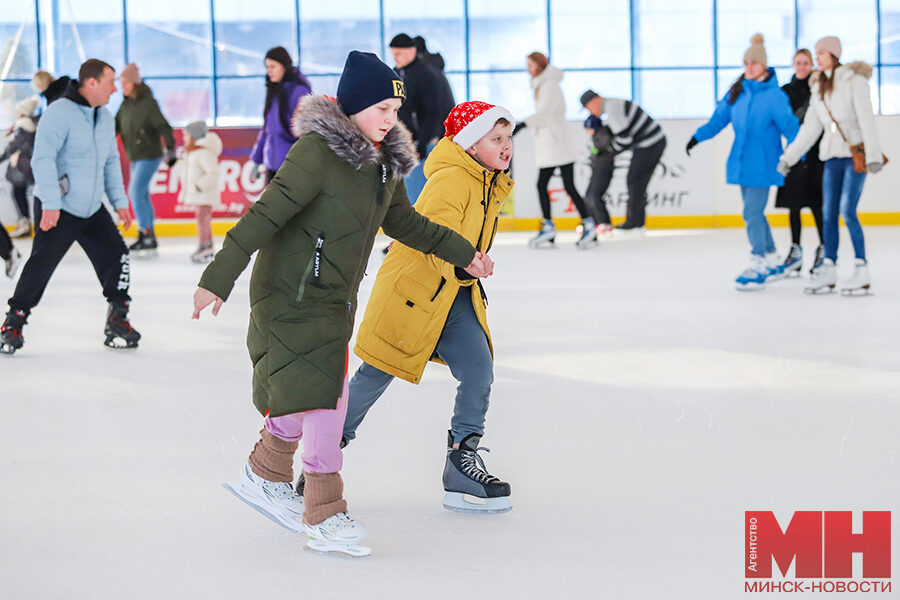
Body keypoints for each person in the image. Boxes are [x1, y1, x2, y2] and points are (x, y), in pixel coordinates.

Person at [193, 51, 492, 557]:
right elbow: (264, 215)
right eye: (381, 109)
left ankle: (264, 472)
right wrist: (216, 279)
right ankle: (324, 512)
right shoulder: (316, 153)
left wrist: (465, 255)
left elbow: (408, 225)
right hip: (291, 291)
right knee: (329, 395)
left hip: (332, 296)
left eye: (395, 111)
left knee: (310, 389)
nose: (391, 120)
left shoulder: (384, 166)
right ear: (353, 106)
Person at [294, 101, 514, 514]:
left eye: (508, 139)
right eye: (495, 139)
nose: (506, 147)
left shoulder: (488, 181)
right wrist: (469, 257)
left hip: (453, 294)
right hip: (413, 294)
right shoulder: (453, 179)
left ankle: (461, 463)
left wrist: (468, 264)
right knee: (374, 374)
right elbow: (431, 238)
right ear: (470, 145)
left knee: (479, 370)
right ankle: (318, 464)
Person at [0, 59, 139, 355]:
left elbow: (111, 161)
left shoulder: (104, 117)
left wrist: (119, 203)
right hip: (59, 207)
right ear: (91, 83)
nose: (114, 89)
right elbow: (43, 159)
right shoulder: (58, 113)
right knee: (41, 264)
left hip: (92, 207)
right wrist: (50, 203)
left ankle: (118, 317)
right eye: (109, 82)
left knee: (118, 256)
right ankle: (13, 323)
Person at [686, 34, 798, 291]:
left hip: (765, 163)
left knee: (751, 212)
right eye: (746, 62)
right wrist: (697, 137)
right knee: (754, 212)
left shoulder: (774, 96)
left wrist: (797, 155)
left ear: (764, 66)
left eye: (754, 63)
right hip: (742, 162)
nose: (749, 67)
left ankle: (758, 260)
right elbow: (718, 120)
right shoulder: (737, 92)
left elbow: (791, 128)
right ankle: (771, 258)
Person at [778, 36, 883, 295]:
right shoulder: (818, 87)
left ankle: (861, 268)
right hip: (831, 158)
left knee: (847, 211)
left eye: (821, 53)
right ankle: (829, 268)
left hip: (854, 156)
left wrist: (874, 155)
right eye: (817, 53)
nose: (817, 58)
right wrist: (788, 158)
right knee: (828, 213)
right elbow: (809, 130)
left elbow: (866, 118)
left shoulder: (854, 82)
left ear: (834, 55)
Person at [515, 52, 595, 249]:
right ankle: (580, 224)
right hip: (553, 142)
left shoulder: (549, 84)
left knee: (548, 184)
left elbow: (545, 114)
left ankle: (564, 225)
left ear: (539, 66)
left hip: (556, 142)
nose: (528, 69)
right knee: (561, 185)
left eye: (530, 65)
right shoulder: (543, 83)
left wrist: (522, 124)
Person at [580, 89, 667, 236]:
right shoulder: (613, 104)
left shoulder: (612, 109)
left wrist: (608, 151)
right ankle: (637, 223)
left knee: (635, 180)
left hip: (650, 144)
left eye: (589, 107)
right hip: (649, 143)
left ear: (595, 100)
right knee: (636, 181)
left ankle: (634, 224)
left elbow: (625, 140)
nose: (591, 112)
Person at [115, 63, 176, 255]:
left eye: (125, 83)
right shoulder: (125, 104)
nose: (122, 87)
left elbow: (164, 127)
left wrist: (171, 149)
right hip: (134, 155)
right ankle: (148, 235)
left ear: (134, 83)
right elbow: (114, 126)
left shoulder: (149, 103)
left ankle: (145, 233)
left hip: (149, 155)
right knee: (140, 194)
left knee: (135, 192)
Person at [775, 49, 825, 277]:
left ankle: (825, 248)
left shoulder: (819, 88)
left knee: (817, 204)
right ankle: (795, 250)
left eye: (806, 62)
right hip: (794, 155)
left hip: (816, 156)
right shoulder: (784, 92)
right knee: (793, 205)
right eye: (798, 63)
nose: (802, 67)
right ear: (793, 65)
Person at [389, 33, 455, 204]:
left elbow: (434, 112)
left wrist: (423, 142)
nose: (394, 58)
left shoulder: (427, 75)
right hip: (410, 141)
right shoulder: (399, 72)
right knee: (411, 193)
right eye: (393, 54)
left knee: (424, 193)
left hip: (427, 141)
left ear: (411, 52)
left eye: (398, 54)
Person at [248, 46, 312, 183]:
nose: (269, 71)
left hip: (293, 167)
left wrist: (302, 163)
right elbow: (267, 131)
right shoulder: (274, 91)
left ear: (284, 66)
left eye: (273, 67)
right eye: (267, 67)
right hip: (272, 166)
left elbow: (305, 132)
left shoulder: (298, 91)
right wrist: (257, 160)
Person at [177, 121, 222, 264]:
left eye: (186, 135)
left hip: (205, 194)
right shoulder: (194, 151)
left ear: (194, 136)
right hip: (201, 194)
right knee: (202, 220)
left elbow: (213, 173)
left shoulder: (204, 152)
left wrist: (199, 186)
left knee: (202, 220)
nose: (184, 138)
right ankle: (206, 245)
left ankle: (205, 246)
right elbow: (186, 169)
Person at [0, 98, 39, 237]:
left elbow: (13, 147)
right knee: (19, 193)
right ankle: (25, 222)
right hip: (27, 165)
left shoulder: (23, 127)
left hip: (21, 166)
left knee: (18, 193)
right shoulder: (31, 125)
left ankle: (24, 223)